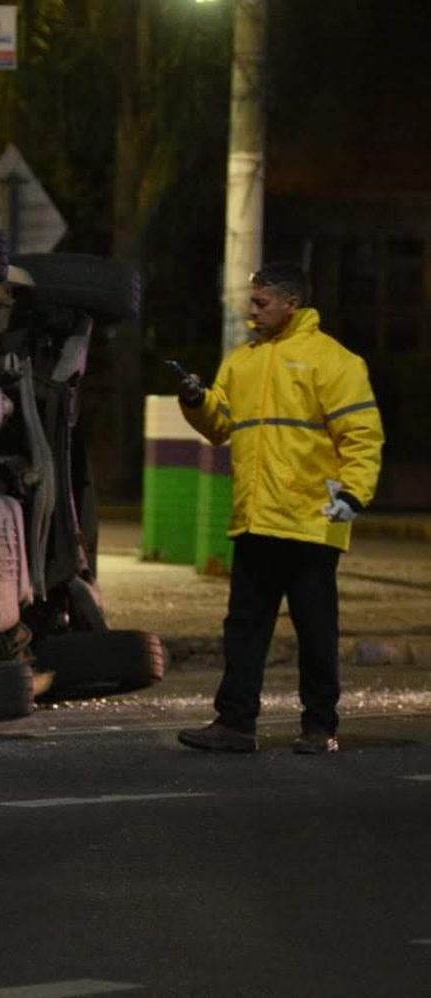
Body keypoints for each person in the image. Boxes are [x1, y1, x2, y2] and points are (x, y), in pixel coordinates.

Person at [173, 263, 383, 754]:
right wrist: (197, 400)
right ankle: (235, 724)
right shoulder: (242, 361)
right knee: (244, 628)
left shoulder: (333, 361)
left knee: (315, 631)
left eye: (261, 302)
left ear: (292, 303)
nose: (252, 310)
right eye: (252, 301)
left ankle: (319, 727)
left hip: (312, 519)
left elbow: (362, 435)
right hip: (256, 518)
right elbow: (221, 425)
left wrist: (353, 494)